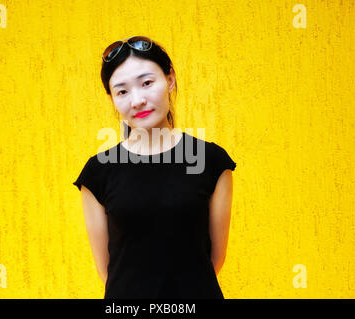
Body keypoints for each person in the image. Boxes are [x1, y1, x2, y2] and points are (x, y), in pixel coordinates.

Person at [73, 36, 236, 299]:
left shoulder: (211, 161)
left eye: (147, 83)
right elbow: (108, 271)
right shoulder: (97, 173)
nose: (136, 100)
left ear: (170, 80)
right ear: (112, 99)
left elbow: (215, 259)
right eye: (122, 91)